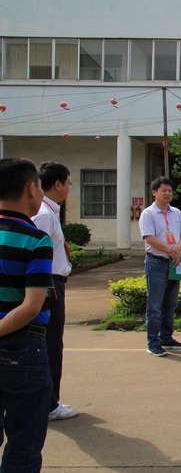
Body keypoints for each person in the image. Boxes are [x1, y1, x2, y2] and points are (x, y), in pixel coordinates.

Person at [0, 158, 54, 471]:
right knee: (23, 444)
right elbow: (32, 305)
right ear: (31, 189)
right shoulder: (35, 239)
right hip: (23, 348)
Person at [29, 162, 78, 422]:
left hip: (52, 283)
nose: (69, 187)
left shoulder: (49, 211)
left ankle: (48, 401)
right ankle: (49, 404)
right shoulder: (44, 215)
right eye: (68, 182)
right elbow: (34, 254)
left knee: (51, 343)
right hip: (48, 286)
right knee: (50, 345)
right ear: (57, 184)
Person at [139, 177, 181, 357]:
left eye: (170, 190)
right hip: (156, 262)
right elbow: (149, 237)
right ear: (154, 192)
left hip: (174, 262)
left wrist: (178, 249)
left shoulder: (176, 212)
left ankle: (166, 338)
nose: (167, 193)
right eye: (163, 190)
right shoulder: (148, 213)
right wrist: (170, 250)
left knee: (171, 304)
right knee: (155, 306)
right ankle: (153, 342)